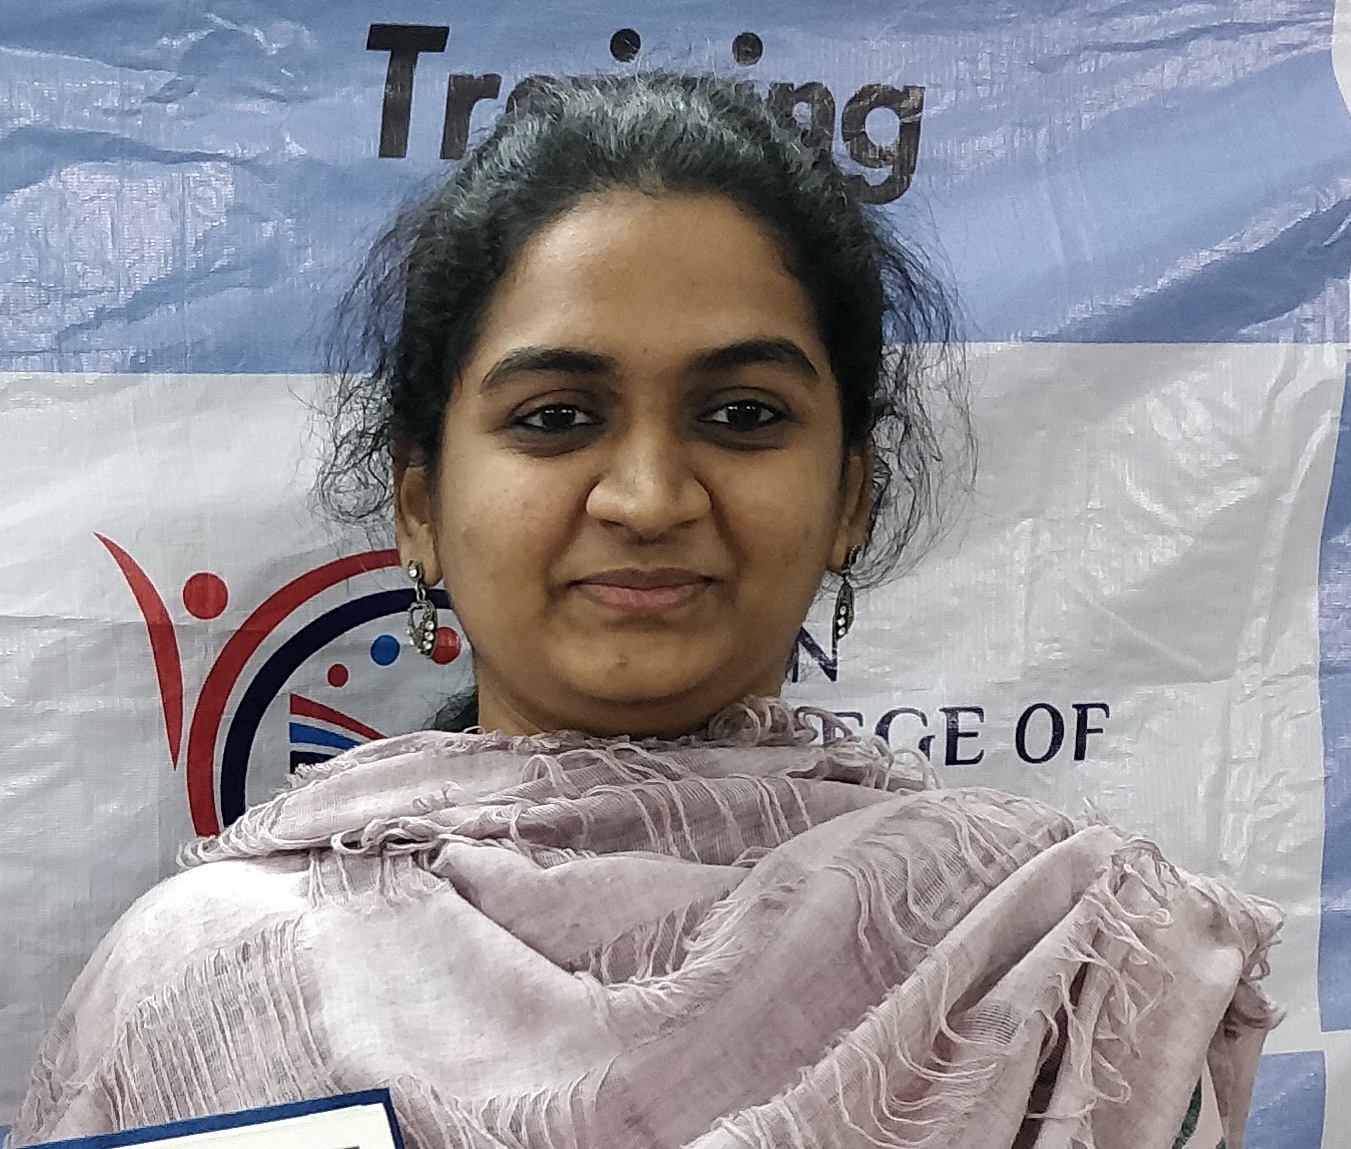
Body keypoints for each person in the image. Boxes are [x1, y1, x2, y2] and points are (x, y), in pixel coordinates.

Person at [8, 74, 1278, 1149]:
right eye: (557, 417)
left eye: (743, 415)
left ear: (848, 499)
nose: (650, 496)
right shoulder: (211, 981)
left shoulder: (1063, 962)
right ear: (421, 508)